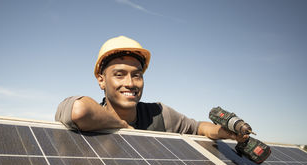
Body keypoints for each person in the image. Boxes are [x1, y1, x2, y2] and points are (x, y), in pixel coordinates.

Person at [55, 35, 247, 142]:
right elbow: (79, 111)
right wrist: (122, 127)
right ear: (101, 80)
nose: (130, 83)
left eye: (137, 75)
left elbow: (197, 128)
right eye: (119, 74)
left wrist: (221, 132)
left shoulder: (160, 115)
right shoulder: (89, 113)